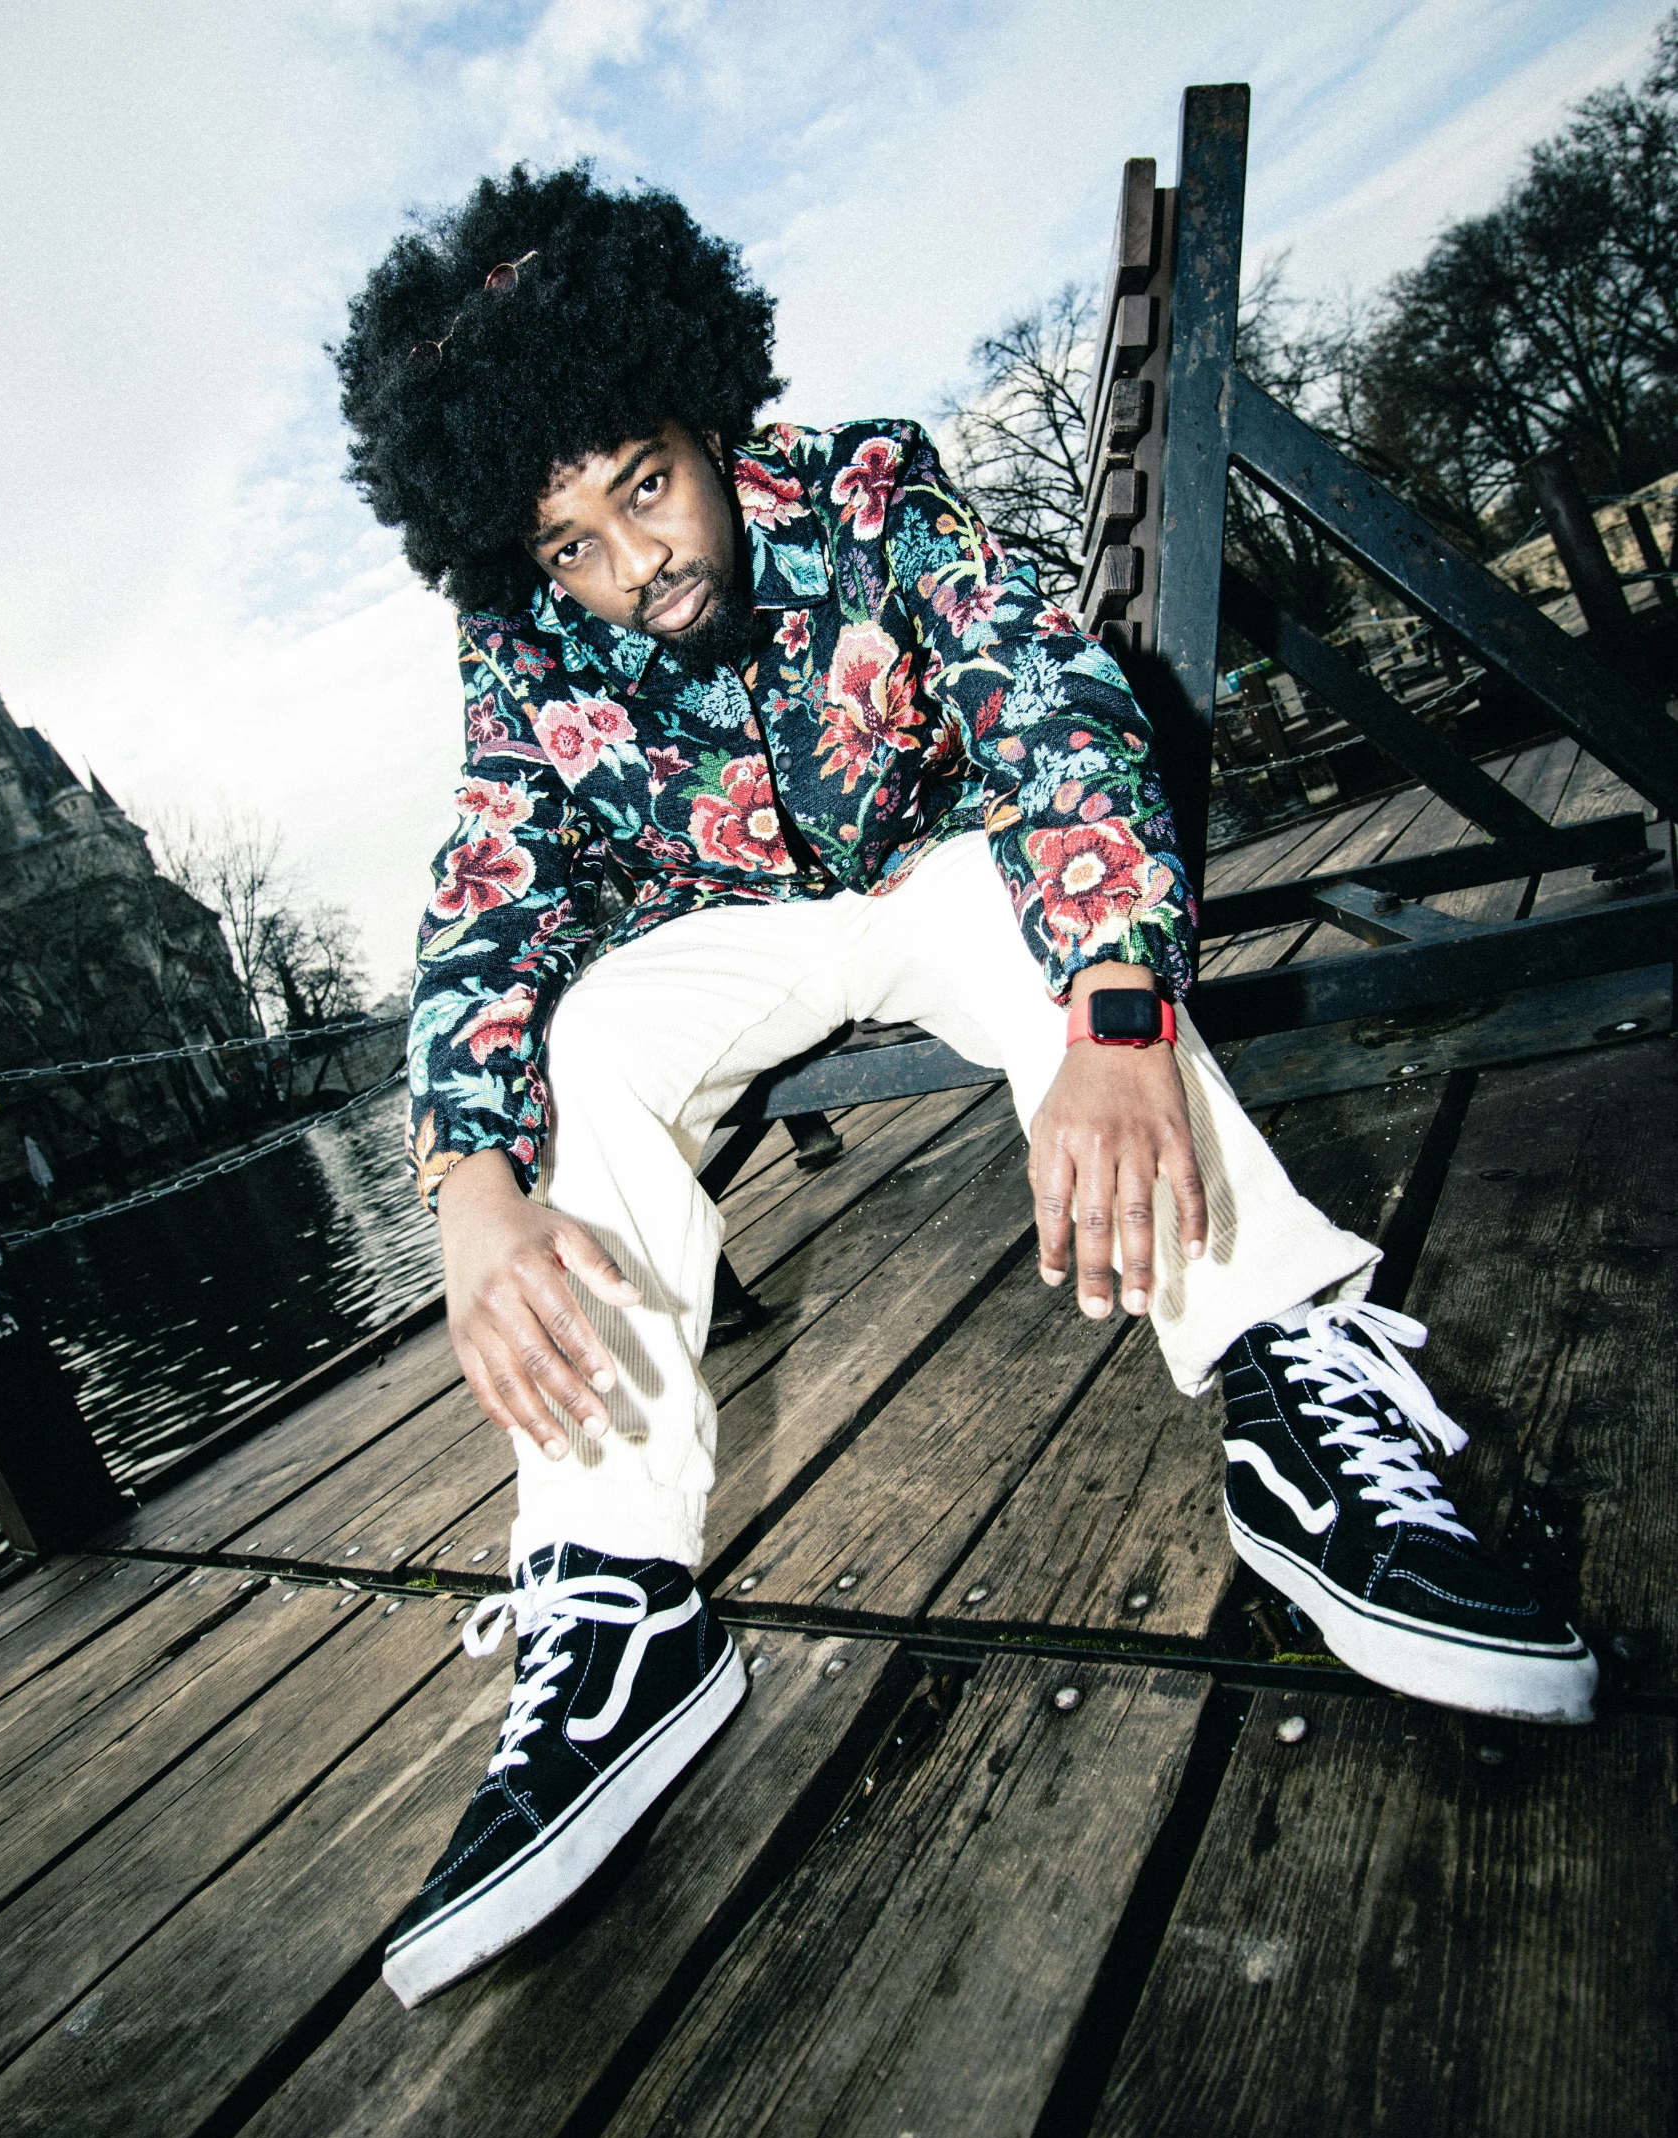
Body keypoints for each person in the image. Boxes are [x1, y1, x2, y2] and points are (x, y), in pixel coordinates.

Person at [334, 165, 1595, 2008]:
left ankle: (1290, 1399)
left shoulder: (862, 488)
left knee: (1030, 931)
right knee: (588, 1039)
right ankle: (618, 1602)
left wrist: (1114, 1018)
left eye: (646, 486)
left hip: (942, 867)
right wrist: (467, 1179)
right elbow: (492, 885)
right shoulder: (527, 649)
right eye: (571, 543)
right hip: (734, 931)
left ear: (701, 406)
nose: (634, 562)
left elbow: (1050, 696)